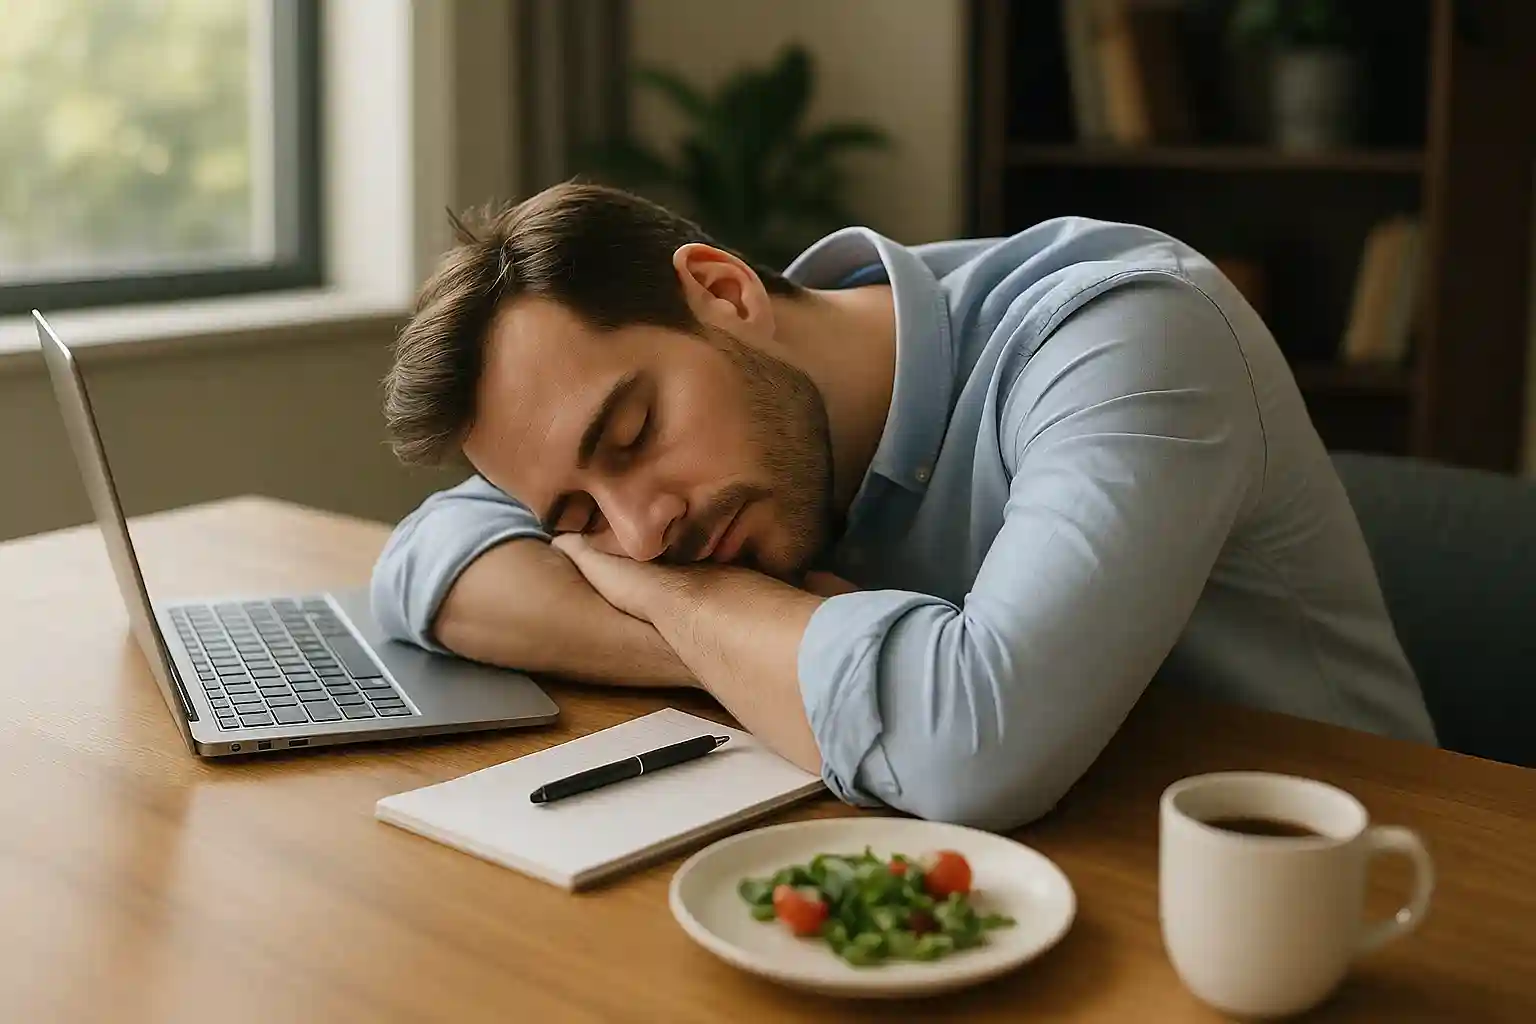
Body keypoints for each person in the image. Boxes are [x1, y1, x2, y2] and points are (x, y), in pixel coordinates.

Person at [370, 183, 1436, 830]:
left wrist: (706, 613)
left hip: (1358, 907)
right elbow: (423, 564)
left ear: (728, 294)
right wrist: (720, 640)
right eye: (578, 517)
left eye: (634, 435)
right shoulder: (677, 468)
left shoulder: (1126, 335)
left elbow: (973, 742)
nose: (644, 533)